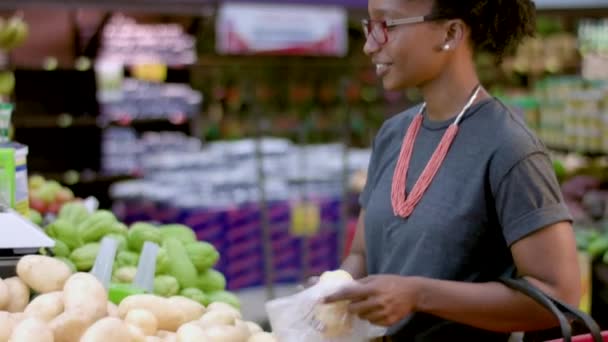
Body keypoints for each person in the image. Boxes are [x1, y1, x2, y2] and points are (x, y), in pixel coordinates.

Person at [323, 0, 581, 341]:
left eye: (388, 26)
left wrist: (418, 295)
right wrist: (332, 290)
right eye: (370, 28)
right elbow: (363, 254)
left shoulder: (510, 148)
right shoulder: (392, 135)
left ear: (451, 33)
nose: (371, 45)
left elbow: (558, 296)